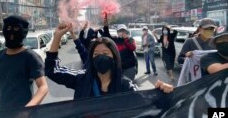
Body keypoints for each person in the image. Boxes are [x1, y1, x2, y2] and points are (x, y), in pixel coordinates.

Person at [45, 23, 174, 99]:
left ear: (114, 58)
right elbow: (52, 71)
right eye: (96, 54)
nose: (101, 57)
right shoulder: (82, 80)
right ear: (91, 59)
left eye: (106, 53)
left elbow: (144, 105)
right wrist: (57, 37)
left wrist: (160, 92)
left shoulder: (126, 86)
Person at [0, 15, 48, 111]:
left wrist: (27, 109)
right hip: (0, 112)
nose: (11, 33)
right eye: (9, 28)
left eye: (16, 29)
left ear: (23, 32)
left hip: (21, 114)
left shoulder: (31, 57)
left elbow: (43, 87)